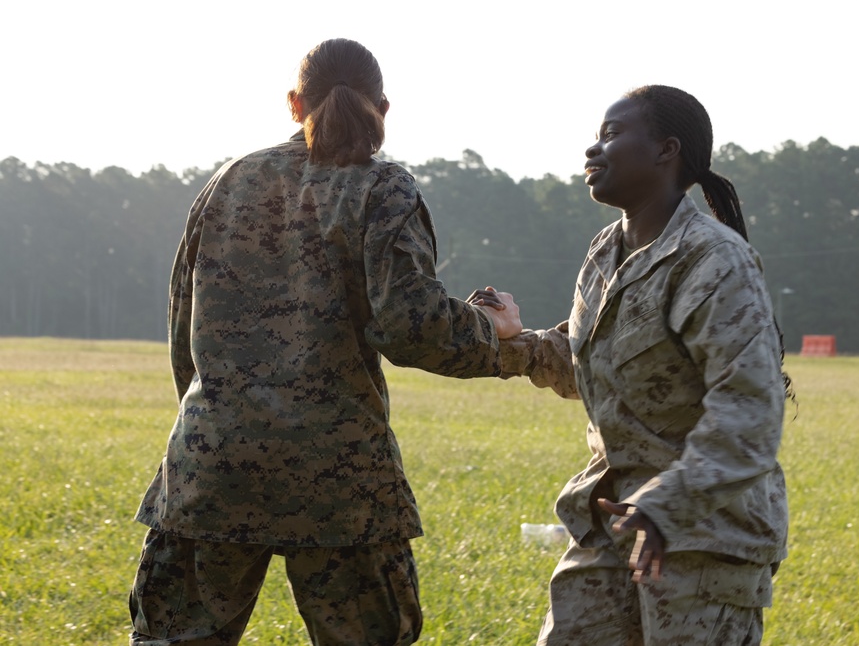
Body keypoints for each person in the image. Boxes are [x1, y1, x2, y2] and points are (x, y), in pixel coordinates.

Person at [128, 38, 521, 646]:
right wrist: (486, 328)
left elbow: (184, 324)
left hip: (214, 466)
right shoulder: (383, 189)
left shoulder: (230, 180)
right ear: (383, 109)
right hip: (341, 479)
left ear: (293, 104)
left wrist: (219, 420)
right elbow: (411, 326)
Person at [473, 85, 791, 645]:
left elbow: (750, 413)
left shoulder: (714, 259)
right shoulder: (603, 252)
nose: (594, 149)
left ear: (667, 151)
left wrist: (666, 506)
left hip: (702, 533)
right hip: (610, 522)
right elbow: (592, 368)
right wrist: (513, 341)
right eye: (597, 135)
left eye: (613, 134)